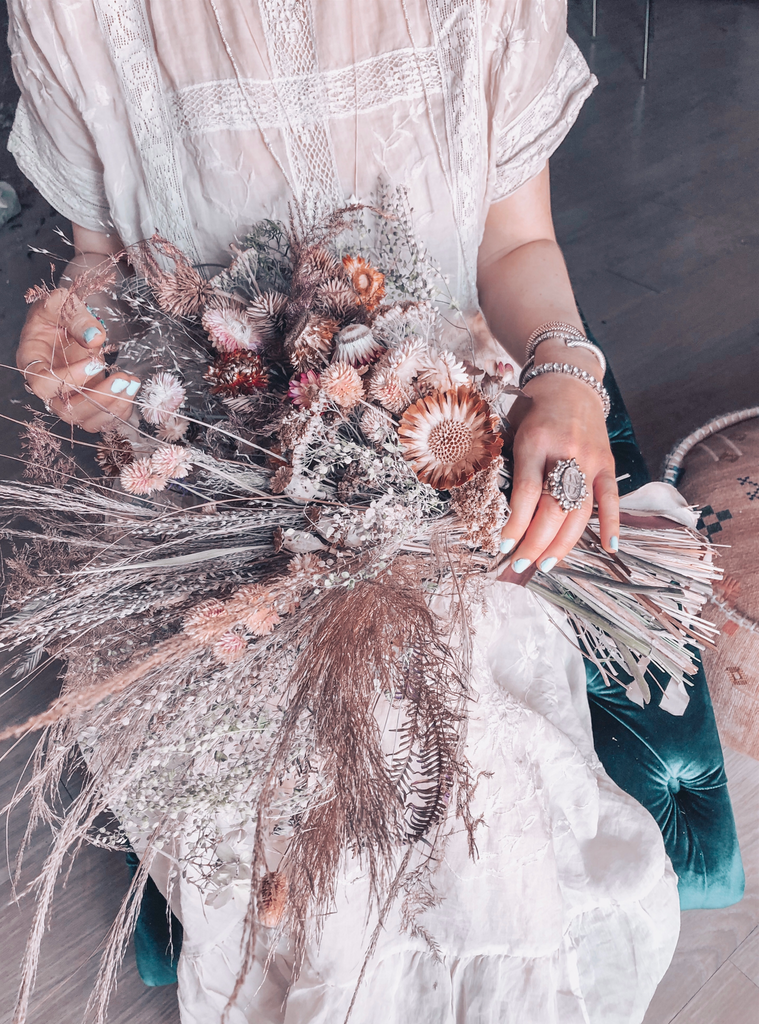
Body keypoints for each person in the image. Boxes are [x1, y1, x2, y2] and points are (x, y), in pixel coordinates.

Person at [7, 2, 680, 1022]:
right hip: (206, 479)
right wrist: (77, 339)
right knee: (323, 818)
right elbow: (103, 273)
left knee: (458, 779)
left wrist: (569, 371)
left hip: (439, 436)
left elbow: (515, 241)